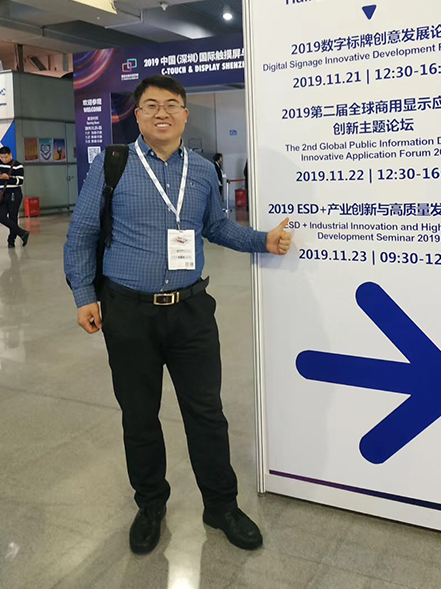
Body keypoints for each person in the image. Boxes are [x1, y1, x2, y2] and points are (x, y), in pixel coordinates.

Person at [64, 75, 292, 556]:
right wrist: (85, 294)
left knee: (206, 412)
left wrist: (263, 240)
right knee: (139, 415)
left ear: (185, 115)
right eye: (151, 105)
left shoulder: (203, 171)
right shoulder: (112, 163)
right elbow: (82, 232)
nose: (162, 113)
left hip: (191, 311)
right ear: (137, 115)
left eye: (171, 105)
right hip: (128, 313)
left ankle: (221, 506)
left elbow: (217, 227)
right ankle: (151, 505)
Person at [0, 146, 29, 248]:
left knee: (13, 217)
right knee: (1, 216)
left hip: (14, 193)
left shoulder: (17, 165)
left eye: (6, 157)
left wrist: (8, 178)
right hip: (2, 194)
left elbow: (20, 181)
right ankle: (22, 233)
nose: (4, 159)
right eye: (1, 157)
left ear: (10, 155)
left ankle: (11, 240)